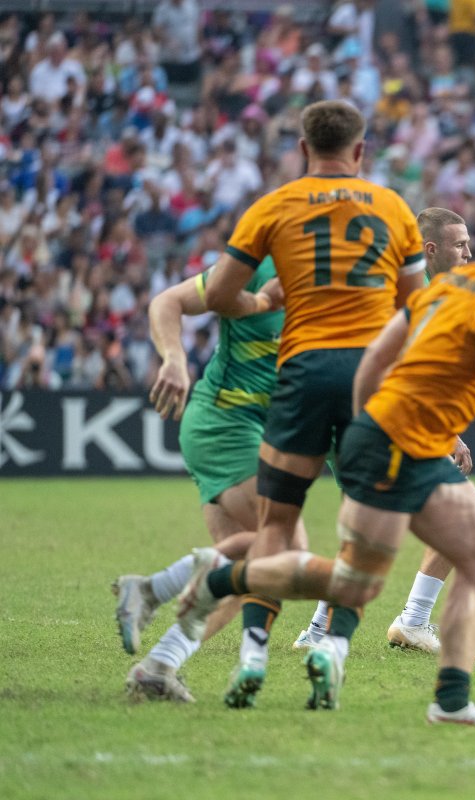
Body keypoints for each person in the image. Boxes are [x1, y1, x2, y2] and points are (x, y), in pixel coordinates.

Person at [177, 189, 475, 726]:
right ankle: (222, 581)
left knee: (378, 576)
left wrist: (367, 427)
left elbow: (374, 362)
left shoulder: (441, 290)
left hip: (379, 436)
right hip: (401, 445)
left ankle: (228, 584)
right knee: (424, 569)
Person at [200, 100, 426, 708]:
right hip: (370, 375)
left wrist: (262, 302)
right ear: (360, 151)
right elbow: (419, 308)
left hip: (300, 371)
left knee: (275, 523)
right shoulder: (393, 208)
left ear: (303, 149)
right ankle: (334, 646)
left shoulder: (272, 206)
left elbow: (221, 294)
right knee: (364, 523)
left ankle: (252, 653)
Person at [292, 206, 474, 655]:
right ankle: (411, 621)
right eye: (460, 244)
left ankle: (318, 631)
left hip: (347, 415)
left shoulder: (388, 280)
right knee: (464, 515)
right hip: (382, 420)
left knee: (370, 527)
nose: (470, 252)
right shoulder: (418, 293)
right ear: (430, 249)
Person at [116, 257, 296, 702]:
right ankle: (150, 589)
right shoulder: (260, 264)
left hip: (248, 431)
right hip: (224, 423)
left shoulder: (346, 286)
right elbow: (168, 301)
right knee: (281, 546)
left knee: (243, 576)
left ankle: (159, 666)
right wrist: (174, 359)